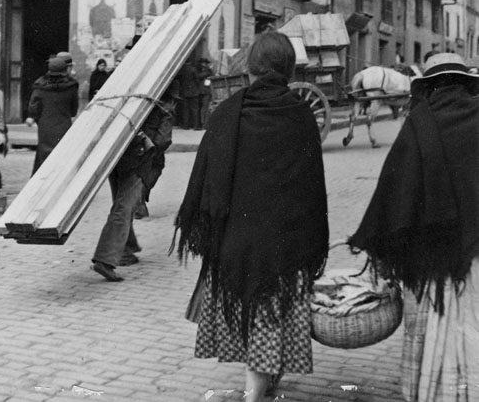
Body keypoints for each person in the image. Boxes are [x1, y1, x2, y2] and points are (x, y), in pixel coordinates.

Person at [171, 30, 329, 402]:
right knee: (271, 314)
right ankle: (255, 390)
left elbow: (205, 182)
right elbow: (311, 188)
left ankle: (258, 385)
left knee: (253, 310)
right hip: (284, 241)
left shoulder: (227, 113)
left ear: (251, 69)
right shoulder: (301, 115)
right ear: (288, 69)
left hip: (236, 240)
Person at [348, 52, 479, 402]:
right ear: (467, 84)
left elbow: (396, 194)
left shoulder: (419, 122)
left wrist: (384, 254)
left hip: (433, 264)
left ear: (429, 87)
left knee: (435, 341)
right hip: (477, 258)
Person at [91, 83, 177, 281]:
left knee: (122, 204)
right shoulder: (165, 109)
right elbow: (163, 142)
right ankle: (105, 259)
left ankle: (127, 250)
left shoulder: (125, 98)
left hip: (117, 160)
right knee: (124, 207)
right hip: (142, 164)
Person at [26, 56, 79, 175]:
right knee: (63, 154)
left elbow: (34, 107)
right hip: (64, 125)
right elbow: (73, 110)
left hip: (45, 127)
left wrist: (33, 117)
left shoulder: (40, 86)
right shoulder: (72, 86)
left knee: (44, 154)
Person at [178, 57, 200, 129]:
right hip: (193, 92)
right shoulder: (193, 69)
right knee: (195, 109)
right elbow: (197, 79)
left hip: (184, 92)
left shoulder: (181, 69)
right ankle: (196, 126)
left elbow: (180, 79)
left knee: (185, 110)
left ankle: (186, 125)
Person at [196, 57, 214, 129]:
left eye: (205, 63)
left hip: (204, 91)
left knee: (204, 107)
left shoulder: (205, 71)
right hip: (204, 91)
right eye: (203, 63)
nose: (204, 65)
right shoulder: (206, 71)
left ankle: (203, 123)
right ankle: (203, 123)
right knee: (204, 108)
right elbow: (200, 76)